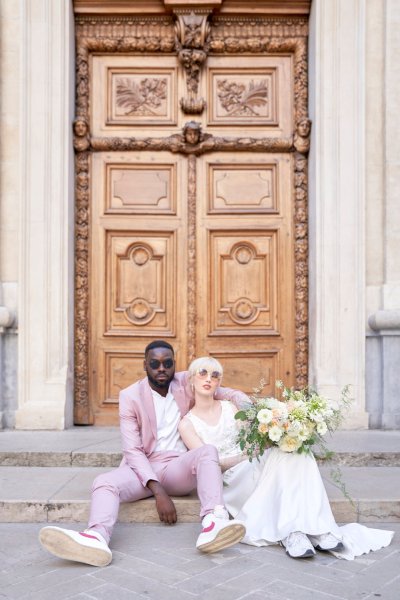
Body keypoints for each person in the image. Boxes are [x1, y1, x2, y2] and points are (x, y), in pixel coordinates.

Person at [39, 341, 249, 567]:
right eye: (155, 364)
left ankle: (213, 523)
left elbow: (226, 391)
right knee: (104, 482)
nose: (162, 369)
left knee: (207, 451)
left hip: (180, 465)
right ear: (145, 365)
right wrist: (158, 491)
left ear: (174, 365)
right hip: (144, 466)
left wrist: (251, 407)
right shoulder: (130, 396)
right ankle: (96, 537)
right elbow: (132, 450)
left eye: (167, 364)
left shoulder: (185, 381)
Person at [178, 356, 394, 560]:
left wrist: (273, 436)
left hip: (252, 463)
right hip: (231, 480)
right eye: (202, 373)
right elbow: (211, 465)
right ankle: (300, 531)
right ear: (191, 379)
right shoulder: (187, 424)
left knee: (297, 450)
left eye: (215, 375)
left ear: (219, 382)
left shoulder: (230, 408)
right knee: (283, 456)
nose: (208, 378)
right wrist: (246, 456)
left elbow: (251, 440)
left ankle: (306, 531)